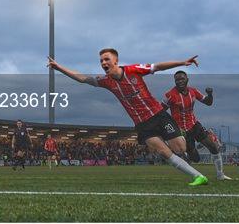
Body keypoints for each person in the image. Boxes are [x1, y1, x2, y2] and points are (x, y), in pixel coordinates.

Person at [48, 48, 208, 186]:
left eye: (106, 59)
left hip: (159, 115)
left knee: (180, 148)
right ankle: (198, 176)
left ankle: (189, 145)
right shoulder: (106, 81)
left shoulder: (134, 70)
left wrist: (182, 62)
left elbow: (157, 66)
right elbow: (82, 78)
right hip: (143, 124)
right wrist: (59, 67)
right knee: (163, 152)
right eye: (101, 60)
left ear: (116, 61)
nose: (103, 63)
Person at [163, 71, 232, 181]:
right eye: (177, 80)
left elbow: (208, 102)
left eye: (182, 79)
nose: (180, 81)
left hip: (195, 125)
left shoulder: (193, 91)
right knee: (196, 159)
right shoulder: (170, 95)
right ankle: (189, 152)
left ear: (187, 79)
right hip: (182, 131)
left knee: (213, 147)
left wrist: (210, 94)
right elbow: (161, 111)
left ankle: (220, 175)